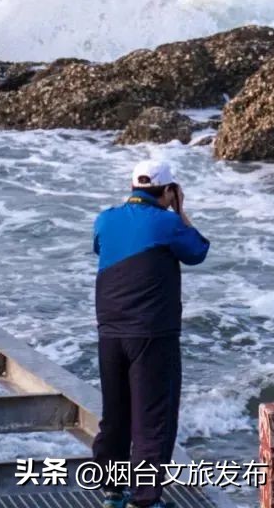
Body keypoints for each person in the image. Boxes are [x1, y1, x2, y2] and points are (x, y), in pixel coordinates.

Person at [92, 160, 210, 508]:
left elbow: (102, 248)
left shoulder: (105, 218)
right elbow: (199, 251)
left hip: (110, 330)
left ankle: (112, 490)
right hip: (152, 334)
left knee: (116, 412)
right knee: (153, 417)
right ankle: (144, 500)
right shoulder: (169, 223)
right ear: (168, 191)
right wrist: (182, 211)